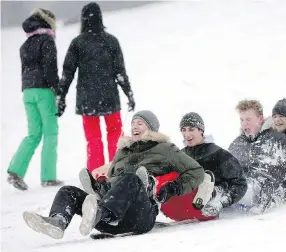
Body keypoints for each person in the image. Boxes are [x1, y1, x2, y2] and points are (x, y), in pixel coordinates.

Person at [23, 110, 205, 239]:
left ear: (151, 128)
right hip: (110, 220)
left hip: (141, 215)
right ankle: (57, 222)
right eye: (133, 123)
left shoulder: (165, 149)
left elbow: (196, 172)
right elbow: (114, 182)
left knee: (132, 179)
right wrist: (102, 186)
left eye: (140, 123)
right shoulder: (122, 152)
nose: (134, 126)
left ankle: (100, 212)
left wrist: (172, 188)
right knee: (68, 191)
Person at [55, 2, 135, 174]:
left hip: (87, 99)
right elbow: (120, 71)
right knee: (114, 134)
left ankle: (96, 173)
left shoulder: (78, 43)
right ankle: (117, 170)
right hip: (109, 97)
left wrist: (61, 96)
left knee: (93, 139)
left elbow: (67, 72)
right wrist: (129, 93)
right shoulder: (111, 41)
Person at [6, 8, 62, 190]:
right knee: (50, 133)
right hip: (44, 91)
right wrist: (57, 90)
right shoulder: (47, 40)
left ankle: (15, 170)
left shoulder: (26, 44)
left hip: (28, 92)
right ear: (48, 22)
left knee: (33, 134)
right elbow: (50, 69)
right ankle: (48, 176)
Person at [228, 99, 286, 214]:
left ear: (260, 119)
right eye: (242, 120)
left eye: (248, 119)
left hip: (267, 197)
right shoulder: (237, 144)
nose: (244, 123)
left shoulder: (276, 139)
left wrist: (285, 188)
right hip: (241, 194)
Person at [178, 112, 247, 218]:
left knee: (207, 182)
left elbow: (240, 183)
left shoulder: (219, 154)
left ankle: (213, 194)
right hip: (186, 203)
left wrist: (222, 203)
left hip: (209, 203)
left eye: (191, 129)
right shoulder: (180, 156)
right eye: (183, 129)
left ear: (201, 130)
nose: (186, 134)